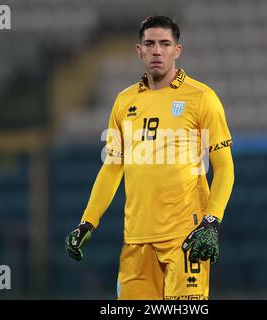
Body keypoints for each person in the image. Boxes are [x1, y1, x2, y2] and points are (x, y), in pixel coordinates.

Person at [65, 15, 234, 300]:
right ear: (139, 50)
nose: (157, 50)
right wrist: (87, 221)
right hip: (136, 241)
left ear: (177, 50)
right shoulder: (124, 101)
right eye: (150, 43)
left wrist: (212, 221)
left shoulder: (202, 98)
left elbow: (224, 167)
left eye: (165, 44)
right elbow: (112, 168)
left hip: (186, 236)